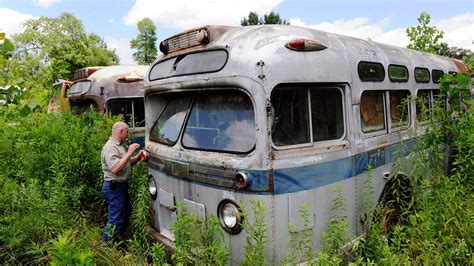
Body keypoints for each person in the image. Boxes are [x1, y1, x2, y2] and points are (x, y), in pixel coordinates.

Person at [101, 121, 143, 243]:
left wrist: (138, 157)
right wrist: (129, 152)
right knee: (115, 219)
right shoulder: (110, 147)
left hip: (121, 187)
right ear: (120, 131)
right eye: (126, 132)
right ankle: (106, 246)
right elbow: (115, 169)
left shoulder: (119, 145)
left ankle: (117, 241)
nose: (127, 134)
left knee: (124, 215)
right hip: (114, 187)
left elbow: (126, 163)